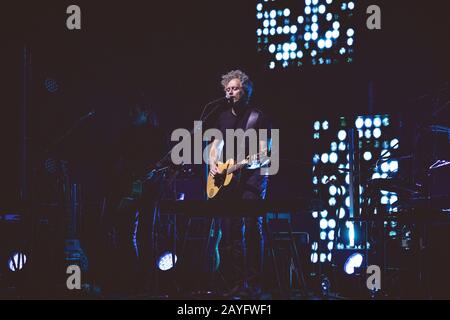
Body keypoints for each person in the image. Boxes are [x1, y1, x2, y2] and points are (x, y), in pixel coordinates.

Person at [208, 70, 271, 297]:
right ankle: (235, 283)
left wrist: (240, 165)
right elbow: (215, 145)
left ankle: (254, 283)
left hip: (253, 179)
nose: (230, 92)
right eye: (227, 89)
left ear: (246, 91)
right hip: (228, 181)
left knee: (252, 229)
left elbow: (264, 154)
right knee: (232, 231)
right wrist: (214, 162)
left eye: (235, 88)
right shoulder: (222, 116)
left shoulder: (258, 117)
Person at [105, 98, 167, 296]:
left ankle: (145, 282)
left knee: (145, 236)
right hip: (129, 189)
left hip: (149, 190)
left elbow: (166, 161)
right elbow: (118, 161)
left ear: (145, 113)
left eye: (135, 111)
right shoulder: (126, 134)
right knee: (125, 234)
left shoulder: (157, 134)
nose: (131, 114)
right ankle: (130, 278)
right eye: (130, 111)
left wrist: (153, 171)